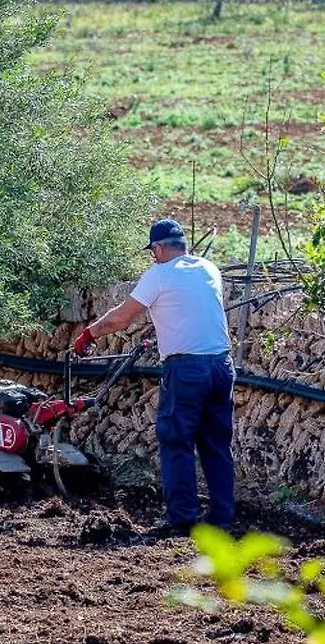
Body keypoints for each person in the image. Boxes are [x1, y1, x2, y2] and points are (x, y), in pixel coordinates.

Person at [72, 219, 234, 529]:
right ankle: (221, 520)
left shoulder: (158, 275)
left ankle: (182, 521)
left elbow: (120, 319)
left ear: (158, 248)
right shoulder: (209, 269)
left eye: (153, 251)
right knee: (216, 444)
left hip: (186, 369)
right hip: (221, 366)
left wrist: (88, 335)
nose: (153, 257)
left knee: (176, 442)